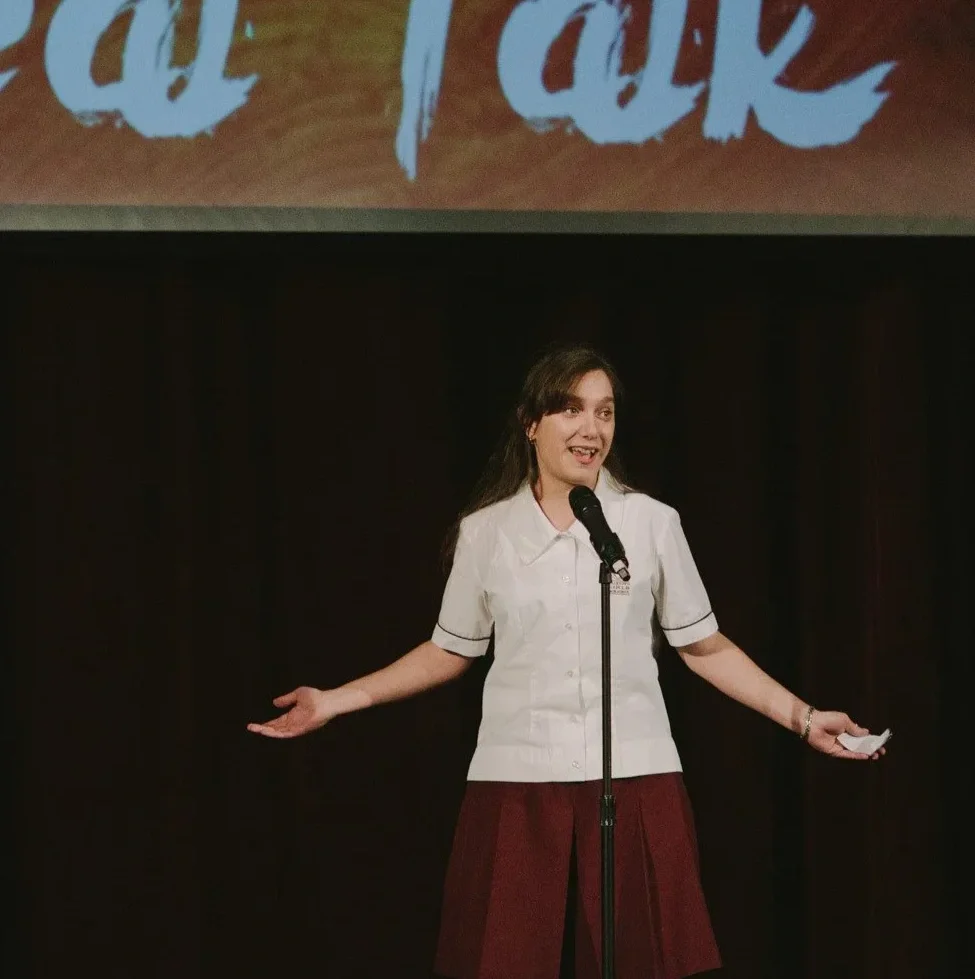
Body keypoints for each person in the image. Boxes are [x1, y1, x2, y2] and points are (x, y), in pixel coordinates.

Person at [248, 343, 886, 979]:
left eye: (605, 413)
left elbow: (704, 645)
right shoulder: (487, 532)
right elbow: (449, 649)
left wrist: (805, 718)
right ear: (531, 423)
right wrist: (334, 700)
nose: (592, 429)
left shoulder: (649, 523)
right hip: (517, 783)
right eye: (571, 410)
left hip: (637, 776)